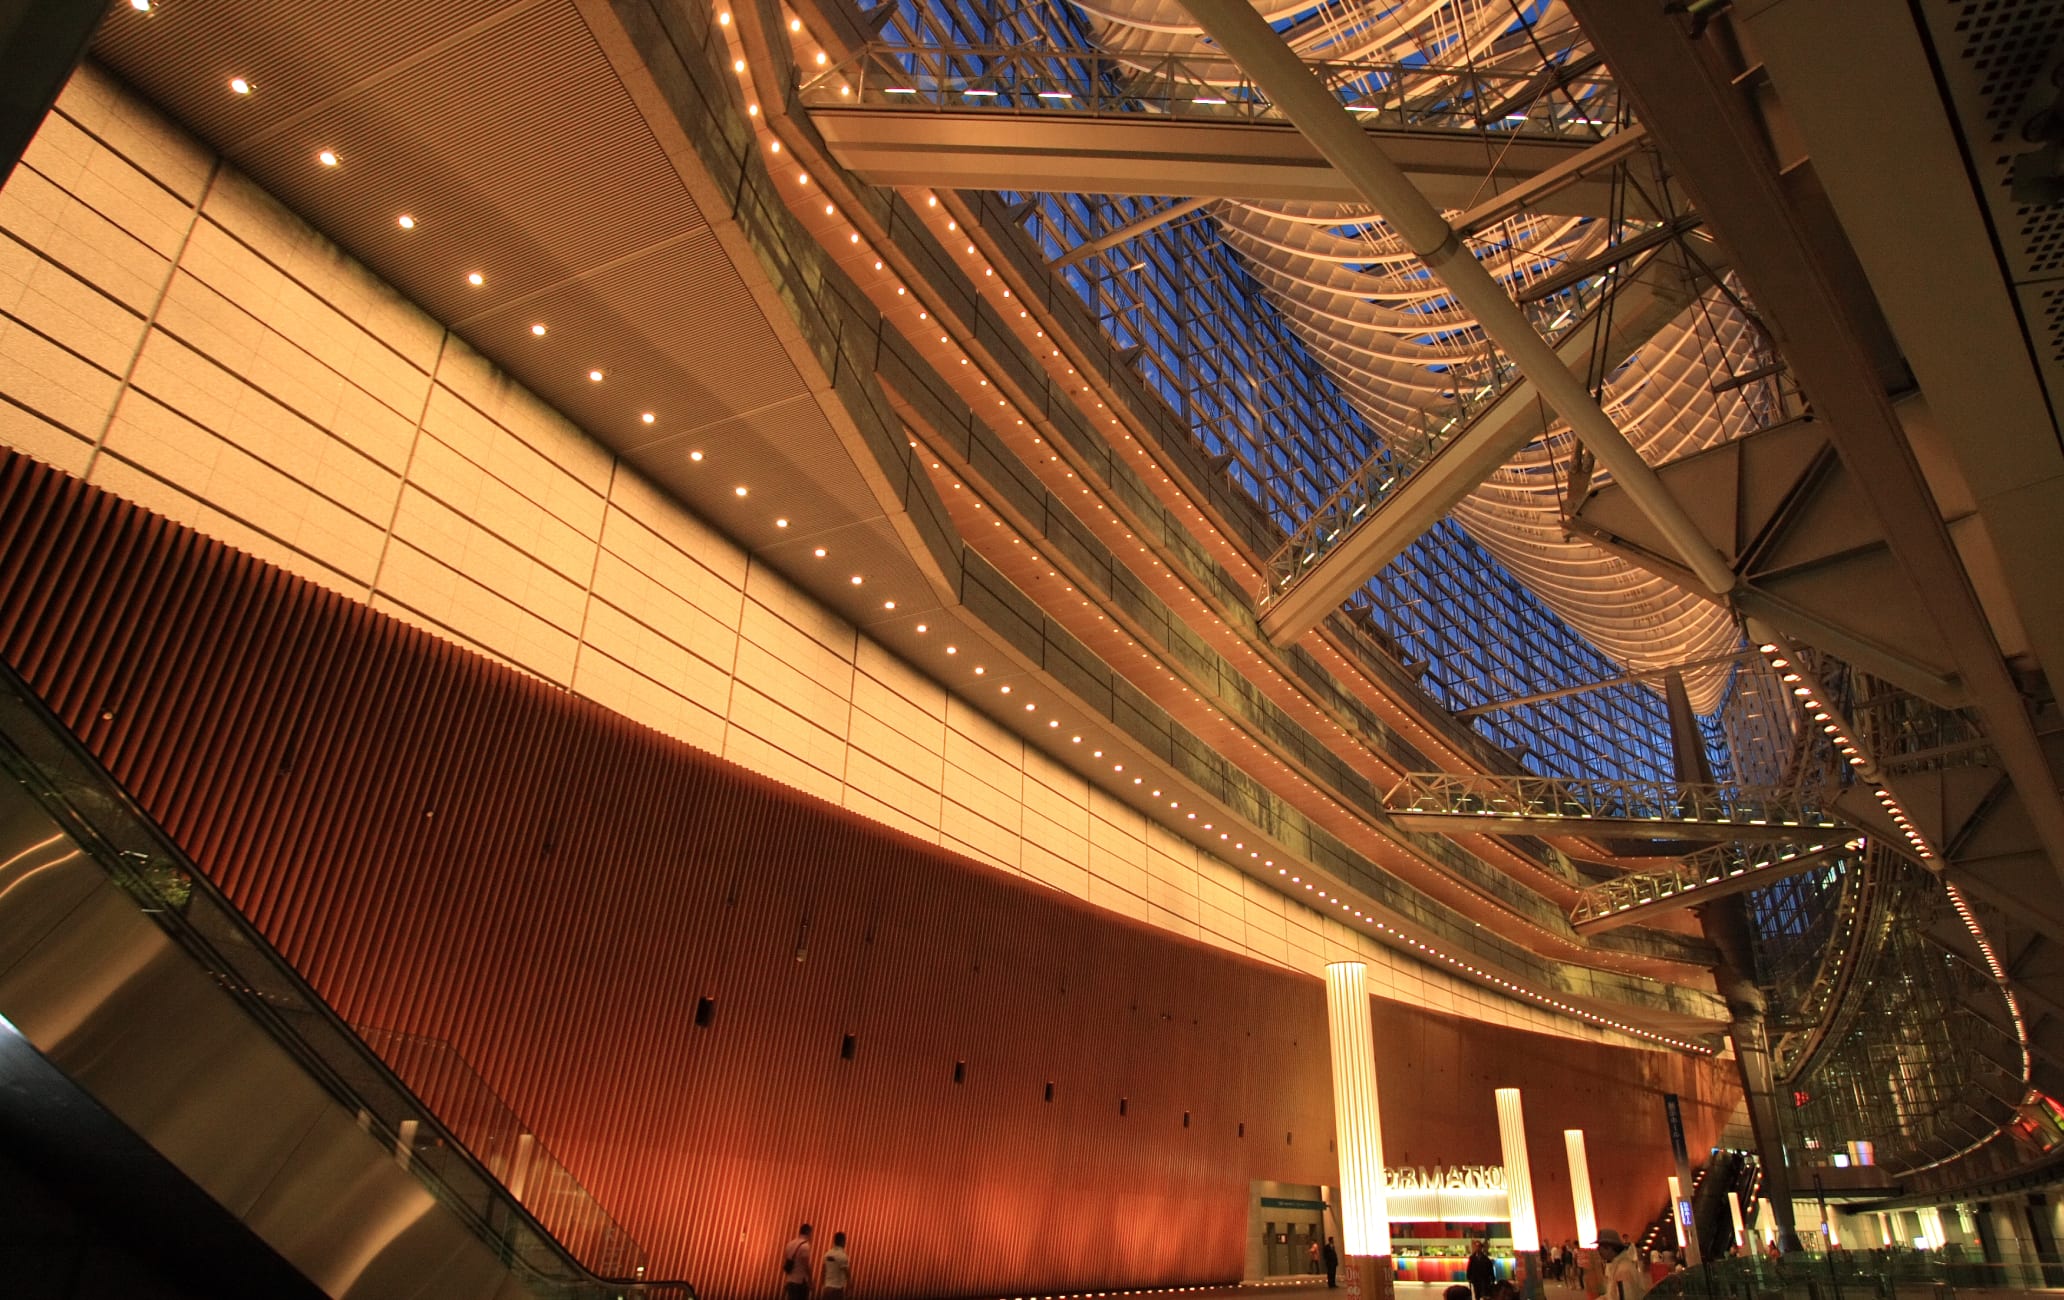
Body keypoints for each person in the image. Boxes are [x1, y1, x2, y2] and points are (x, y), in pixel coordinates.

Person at [1599, 1229, 1648, 1300]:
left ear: (1610, 1248)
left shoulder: (1623, 1271)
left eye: (1600, 1248)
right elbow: (1612, 1295)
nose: (1599, 1251)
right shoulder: (1617, 1266)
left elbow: (1626, 1297)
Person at [781, 1222, 814, 1300]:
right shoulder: (805, 1246)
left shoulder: (789, 1244)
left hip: (790, 1280)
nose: (811, 1236)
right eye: (811, 1233)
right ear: (808, 1232)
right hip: (800, 1281)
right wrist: (811, 1280)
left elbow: (785, 1263)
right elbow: (806, 1265)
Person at [821, 1230, 851, 1299]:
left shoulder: (827, 1254)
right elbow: (847, 1274)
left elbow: (823, 1272)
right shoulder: (842, 1256)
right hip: (837, 1290)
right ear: (843, 1242)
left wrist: (823, 1286)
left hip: (827, 1289)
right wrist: (849, 1289)